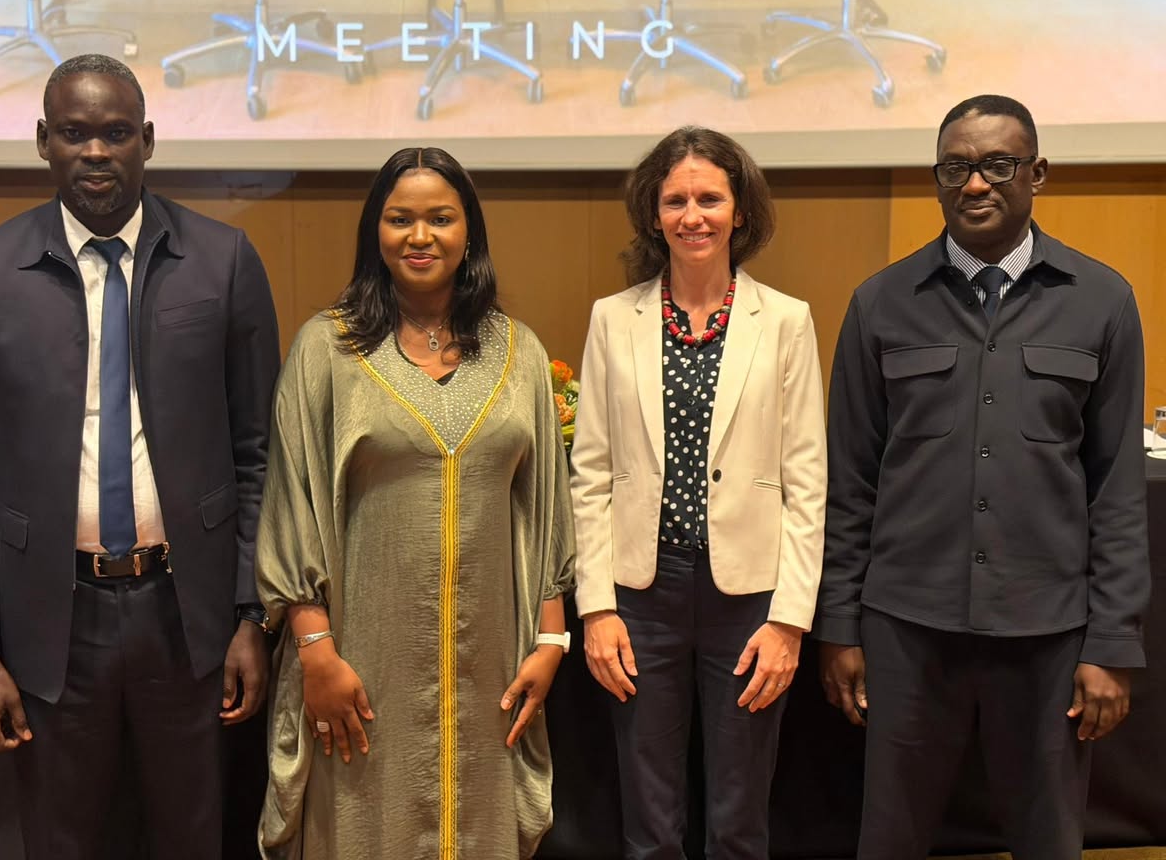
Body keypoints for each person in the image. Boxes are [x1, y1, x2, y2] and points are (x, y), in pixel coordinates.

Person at [0, 54, 281, 860]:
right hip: (50, 625)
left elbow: (258, 455)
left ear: (149, 141)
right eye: (75, 133)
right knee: (62, 841)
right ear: (43, 142)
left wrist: (247, 615)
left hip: (185, 617)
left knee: (193, 835)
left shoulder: (223, 262)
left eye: (116, 133)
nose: (96, 151)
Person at [817, 94, 1149, 859]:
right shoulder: (880, 304)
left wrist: (1112, 644)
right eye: (956, 167)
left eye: (998, 165)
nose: (975, 184)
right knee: (890, 838)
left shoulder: (1103, 302)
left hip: (1050, 632)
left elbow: (1117, 490)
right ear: (938, 180)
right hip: (906, 627)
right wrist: (840, 624)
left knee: (1047, 839)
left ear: (1037, 174)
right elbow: (852, 483)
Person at [254, 147, 576, 859]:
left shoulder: (517, 353)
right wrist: (316, 653)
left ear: (470, 233)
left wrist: (552, 642)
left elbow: (545, 506)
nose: (420, 236)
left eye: (440, 218)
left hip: (494, 663)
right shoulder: (326, 349)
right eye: (400, 219)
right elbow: (292, 507)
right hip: (359, 664)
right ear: (376, 231)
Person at [569, 126, 827, 859]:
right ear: (653, 214)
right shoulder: (612, 319)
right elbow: (590, 474)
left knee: (739, 820)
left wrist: (790, 621)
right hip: (640, 595)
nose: (693, 216)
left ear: (739, 210)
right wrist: (597, 608)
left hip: (749, 599)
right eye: (675, 200)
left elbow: (808, 482)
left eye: (710, 198)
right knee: (648, 822)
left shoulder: (785, 321)